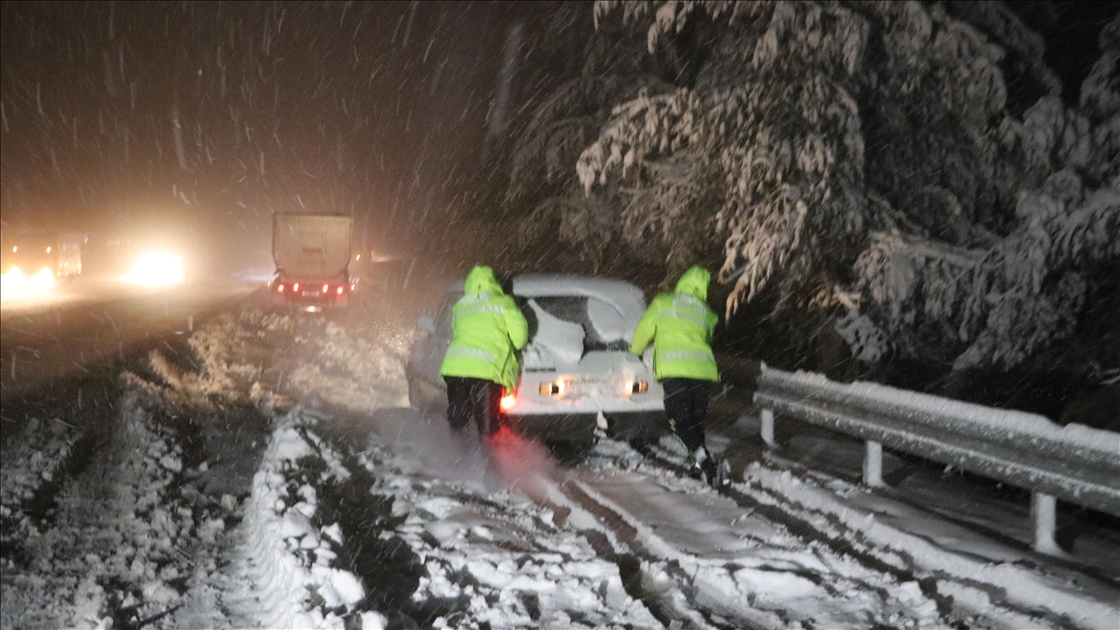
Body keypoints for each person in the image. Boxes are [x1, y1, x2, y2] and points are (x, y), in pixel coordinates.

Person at [630, 265, 726, 488]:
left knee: (679, 421)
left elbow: (644, 331)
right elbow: (707, 337)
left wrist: (635, 350)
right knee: (695, 420)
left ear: (682, 282)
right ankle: (698, 464)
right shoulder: (708, 313)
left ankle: (706, 463)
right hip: (703, 371)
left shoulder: (663, 302)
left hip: (675, 370)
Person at [439, 265, 529, 447]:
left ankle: (456, 460)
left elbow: (457, 332)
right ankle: (490, 469)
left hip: (455, 370)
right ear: (493, 283)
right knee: (487, 425)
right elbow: (520, 339)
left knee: (458, 419)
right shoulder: (504, 303)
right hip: (486, 372)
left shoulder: (460, 305)